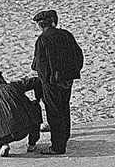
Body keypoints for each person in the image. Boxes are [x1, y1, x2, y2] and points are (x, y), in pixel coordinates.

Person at [31, 9, 82, 154]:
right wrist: (73, 73)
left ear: (41, 25)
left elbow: (41, 64)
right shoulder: (66, 34)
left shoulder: (43, 39)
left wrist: (45, 79)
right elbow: (78, 55)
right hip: (67, 79)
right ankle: (64, 137)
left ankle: (58, 147)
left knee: (54, 112)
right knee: (64, 108)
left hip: (51, 82)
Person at [0, 70, 42, 156]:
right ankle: (32, 144)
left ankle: (3, 145)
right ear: (1, 79)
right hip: (23, 129)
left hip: (2, 136)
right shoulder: (12, 86)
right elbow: (36, 81)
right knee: (35, 107)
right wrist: (38, 97)